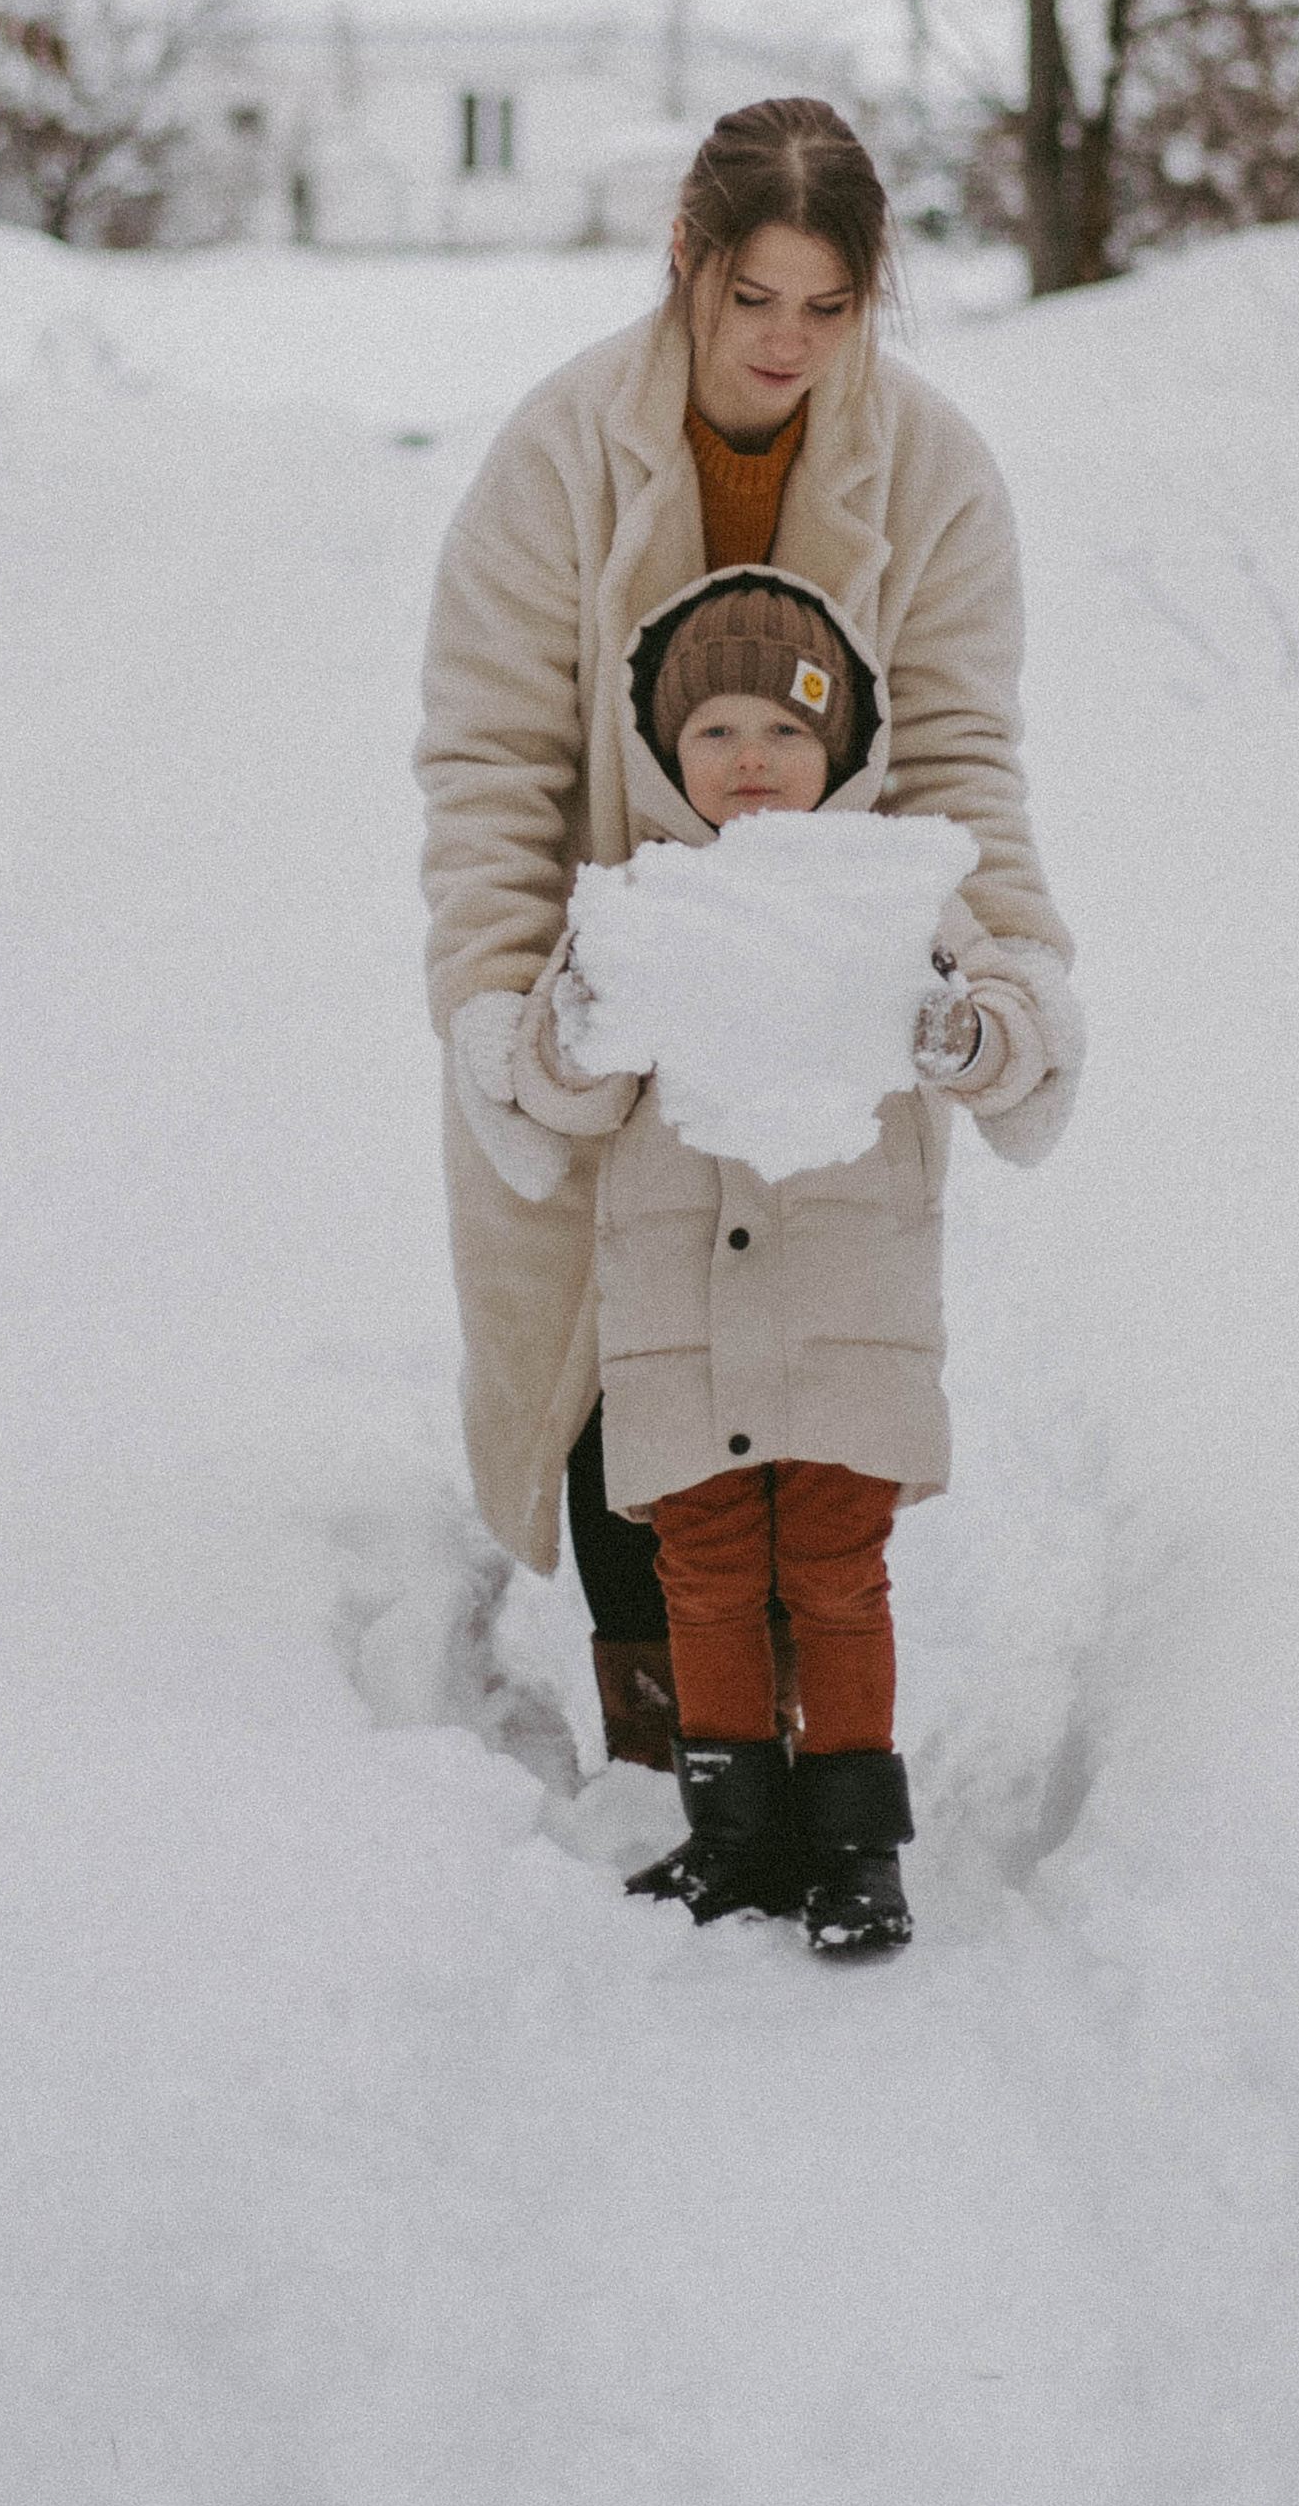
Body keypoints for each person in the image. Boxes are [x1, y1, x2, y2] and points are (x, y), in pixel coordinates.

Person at [415, 97, 1082, 1816]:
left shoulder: (930, 473)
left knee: (809, 1371)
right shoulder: (561, 453)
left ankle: (813, 1745)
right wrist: (501, 1006)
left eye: (830, 306)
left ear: (871, 299)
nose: (787, 342)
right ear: (688, 268)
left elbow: (955, 760)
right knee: (608, 1354)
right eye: (753, 297)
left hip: (826, 1022)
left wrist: (1008, 972)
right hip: (608, 1009)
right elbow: (491, 762)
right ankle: (664, 1755)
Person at [499, 562, 999, 1954]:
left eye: (784, 730)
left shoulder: (892, 893)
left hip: (845, 1312)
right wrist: (580, 1014)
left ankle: (856, 1847)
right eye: (714, 732)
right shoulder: (637, 907)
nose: (752, 760)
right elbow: (562, 1088)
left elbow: (1010, 1035)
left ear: (838, 744)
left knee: (836, 1571)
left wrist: (969, 1032)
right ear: (667, 752)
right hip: (681, 1318)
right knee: (706, 1569)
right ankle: (736, 1832)